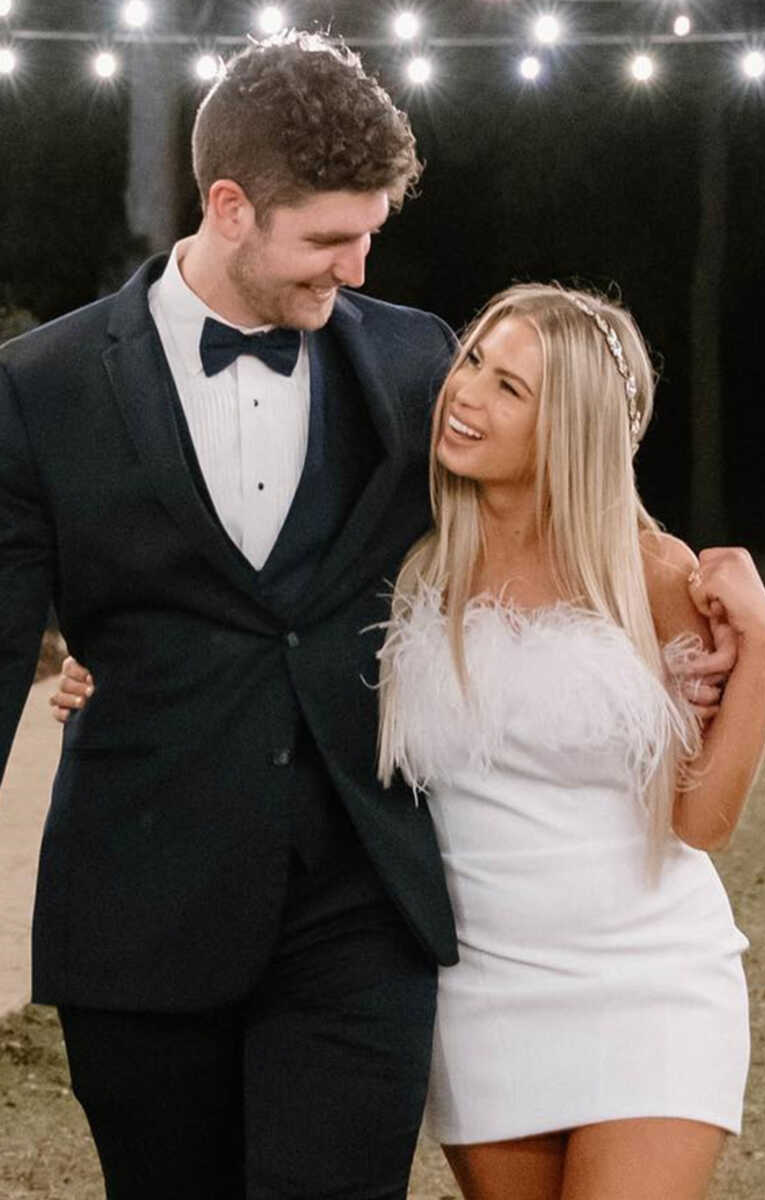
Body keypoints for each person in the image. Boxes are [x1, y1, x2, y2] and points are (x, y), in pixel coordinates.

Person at [0, 32, 462, 1200]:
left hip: (359, 908)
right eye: (328, 238)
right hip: (137, 915)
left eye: (369, 233)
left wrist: (692, 594)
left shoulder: (417, 359)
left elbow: (542, 512)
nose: (356, 266)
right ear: (229, 207)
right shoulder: (42, 386)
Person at [375, 284, 765, 1199]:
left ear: (572, 429)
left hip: (652, 985)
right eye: (473, 360)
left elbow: (704, 822)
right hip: (483, 995)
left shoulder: (653, 574)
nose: (465, 393)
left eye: (510, 388)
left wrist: (761, 643)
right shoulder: (412, 566)